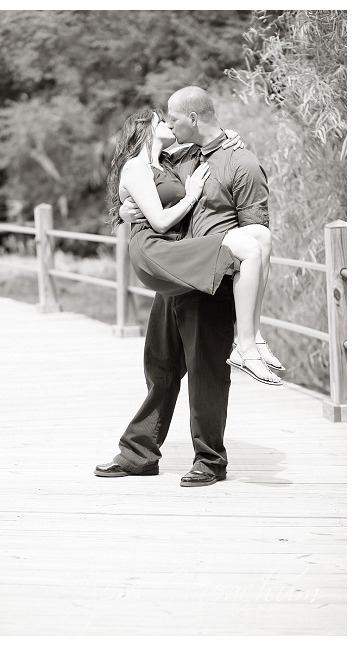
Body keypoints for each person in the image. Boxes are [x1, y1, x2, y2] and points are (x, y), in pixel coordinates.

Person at [95, 86, 273, 487]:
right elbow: (142, 187)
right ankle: (138, 454)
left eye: (173, 118)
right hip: (175, 267)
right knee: (160, 366)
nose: (169, 124)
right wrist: (124, 209)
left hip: (210, 277)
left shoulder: (239, 162)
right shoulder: (181, 156)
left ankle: (210, 461)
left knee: (207, 373)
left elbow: (258, 231)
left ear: (192, 118)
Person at [106, 107, 282, 385]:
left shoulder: (167, 162)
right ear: (147, 129)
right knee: (248, 248)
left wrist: (228, 137)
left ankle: (253, 336)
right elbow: (160, 221)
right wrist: (190, 196)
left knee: (261, 236)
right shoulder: (136, 165)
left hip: (173, 245)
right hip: (154, 248)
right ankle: (244, 348)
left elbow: (205, 141)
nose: (169, 124)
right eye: (162, 121)